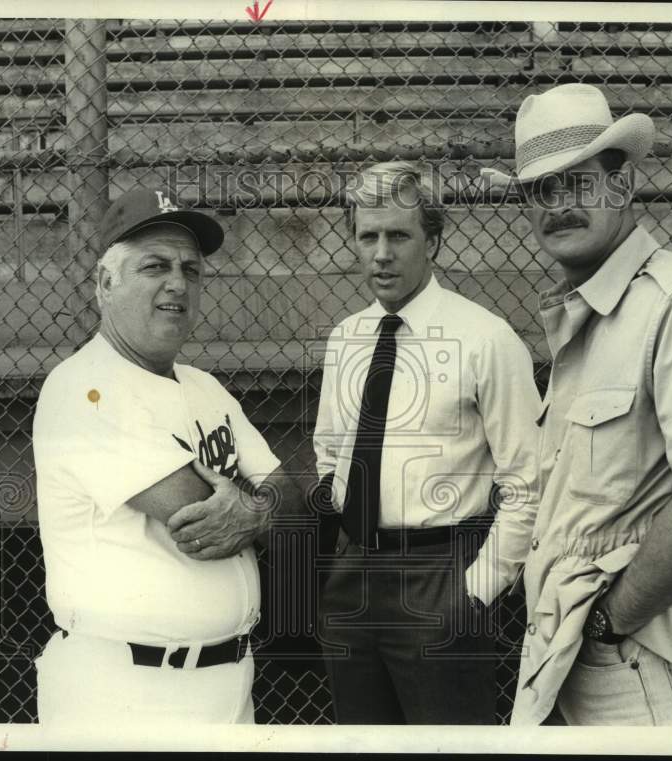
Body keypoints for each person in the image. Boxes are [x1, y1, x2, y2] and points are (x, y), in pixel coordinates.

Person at [483, 83, 672, 726]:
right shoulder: (586, 318)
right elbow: (626, 508)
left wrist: (613, 623)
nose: (558, 206)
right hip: (579, 661)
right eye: (540, 190)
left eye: (577, 183)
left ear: (621, 185)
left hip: (634, 672)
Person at [32, 187, 303, 724]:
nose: (177, 283)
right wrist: (260, 506)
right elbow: (195, 517)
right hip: (124, 692)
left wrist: (252, 510)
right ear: (105, 284)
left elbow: (296, 507)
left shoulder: (205, 388)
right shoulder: (83, 388)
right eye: (154, 266)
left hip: (228, 687)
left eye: (191, 269)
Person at [311, 162, 543, 724]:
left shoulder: (485, 339)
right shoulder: (347, 338)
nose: (382, 254)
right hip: (355, 578)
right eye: (368, 236)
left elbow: (528, 479)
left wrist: (476, 595)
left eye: (399, 235)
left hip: (442, 574)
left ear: (433, 240)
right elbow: (331, 450)